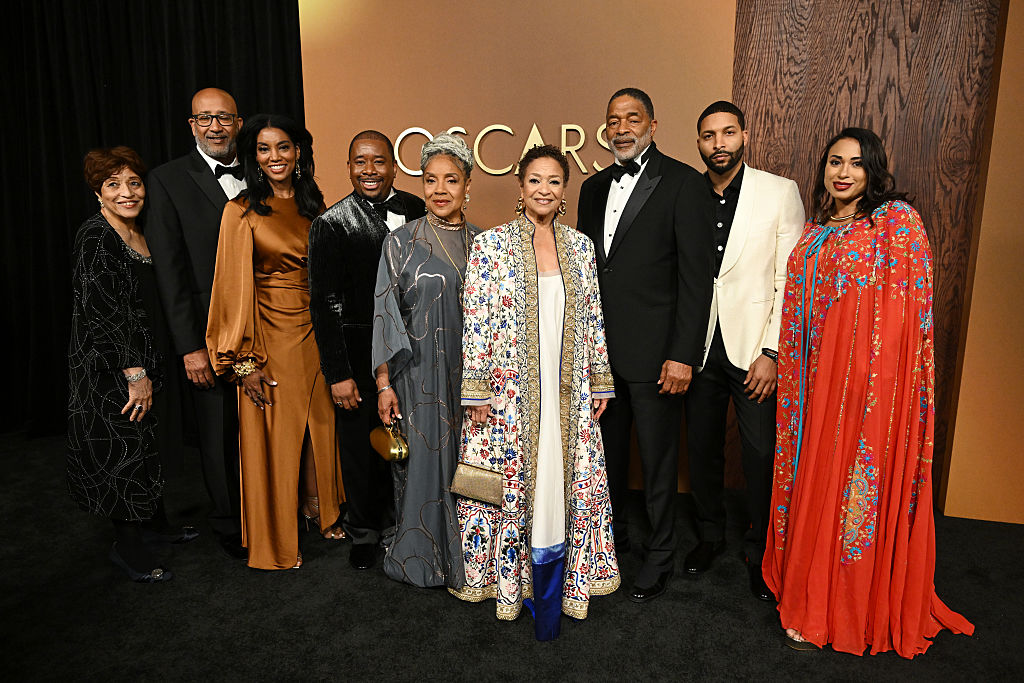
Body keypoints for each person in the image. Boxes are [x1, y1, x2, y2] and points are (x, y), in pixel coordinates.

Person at [763, 127, 973, 655]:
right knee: (815, 480)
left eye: (856, 163)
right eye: (834, 161)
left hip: (868, 391)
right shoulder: (814, 232)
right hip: (811, 392)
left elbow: (909, 315)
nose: (842, 172)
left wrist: (874, 386)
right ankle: (807, 591)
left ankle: (836, 608)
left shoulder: (894, 223)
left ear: (874, 170)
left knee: (849, 487)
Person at [452, 144, 618, 641]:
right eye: (534, 181)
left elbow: (592, 319)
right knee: (509, 486)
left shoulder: (580, 247)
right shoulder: (492, 246)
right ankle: (512, 588)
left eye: (553, 182)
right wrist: (477, 390)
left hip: (567, 391)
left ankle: (563, 587)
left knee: (563, 482)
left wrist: (600, 378)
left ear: (563, 191)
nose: (544, 190)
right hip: (509, 394)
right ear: (519, 188)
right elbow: (476, 316)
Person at [576, 87, 713, 603]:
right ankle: (607, 547)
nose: (622, 128)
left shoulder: (682, 183)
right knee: (605, 461)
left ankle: (660, 557)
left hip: (659, 357)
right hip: (601, 357)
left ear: (653, 125)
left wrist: (682, 354)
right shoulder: (591, 189)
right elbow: (590, 275)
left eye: (632, 118)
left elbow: (697, 281)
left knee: (657, 464)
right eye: (613, 120)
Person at [206, 114, 344, 571]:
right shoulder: (241, 211)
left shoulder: (315, 207)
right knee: (278, 436)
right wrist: (242, 362)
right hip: (270, 336)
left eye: (283, 147)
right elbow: (230, 289)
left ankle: (320, 510)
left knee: (321, 426)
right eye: (264, 149)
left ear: (298, 151)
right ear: (254, 157)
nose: (275, 157)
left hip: (318, 332)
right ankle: (277, 540)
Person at [683, 101, 804, 601]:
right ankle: (710, 536)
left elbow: (789, 280)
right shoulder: (685, 192)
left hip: (755, 346)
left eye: (728, 133)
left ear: (744, 135)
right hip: (699, 344)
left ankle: (760, 550)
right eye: (709, 136)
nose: (719, 144)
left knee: (759, 454)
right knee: (702, 448)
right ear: (699, 143)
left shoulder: (779, 192)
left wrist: (772, 352)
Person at [68, 146, 197, 583]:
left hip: (145, 358)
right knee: (122, 450)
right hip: (112, 371)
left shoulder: (139, 231)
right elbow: (102, 313)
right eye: (113, 184)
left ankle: (156, 527)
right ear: (97, 193)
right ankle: (129, 549)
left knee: (147, 444)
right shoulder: (96, 236)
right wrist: (133, 373)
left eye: (134, 182)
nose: (127, 192)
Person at [309, 131, 427, 570]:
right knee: (362, 445)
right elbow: (322, 305)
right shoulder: (331, 223)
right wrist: (337, 372)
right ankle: (364, 531)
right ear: (349, 167)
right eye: (360, 162)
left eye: (378, 161)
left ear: (394, 165)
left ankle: (411, 520)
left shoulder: (417, 208)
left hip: (414, 347)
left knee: (412, 437)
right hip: (359, 351)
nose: (370, 170)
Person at [372, 133, 481, 588]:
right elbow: (384, 314)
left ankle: (469, 560)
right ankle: (420, 557)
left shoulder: (486, 244)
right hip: (417, 378)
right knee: (423, 466)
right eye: (430, 180)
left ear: (467, 185)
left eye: (450, 180)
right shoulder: (399, 243)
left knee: (470, 466)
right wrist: (384, 384)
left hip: (472, 381)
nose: (439, 190)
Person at [146, 88, 247, 560]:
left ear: (238, 123)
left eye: (223, 118)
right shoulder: (166, 180)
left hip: (265, 328)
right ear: (191, 125)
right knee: (218, 429)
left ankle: (267, 510)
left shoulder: (261, 172)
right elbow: (169, 271)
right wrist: (190, 346)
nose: (215, 127)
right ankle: (229, 520)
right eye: (205, 118)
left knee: (262, 425)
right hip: (208, 335)